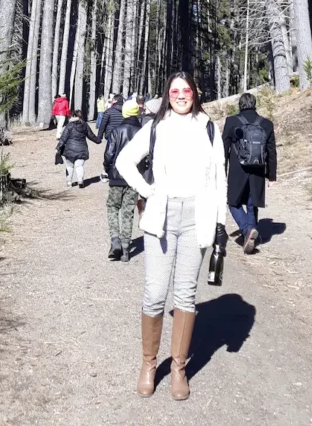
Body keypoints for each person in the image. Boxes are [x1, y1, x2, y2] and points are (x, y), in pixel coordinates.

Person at [116, 71, 227, 402]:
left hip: (196, 217)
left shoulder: (208, 127)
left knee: (185, 295)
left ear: (195, 94)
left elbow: (219, 178)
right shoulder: (155, 127)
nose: (181, 96)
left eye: (186, 90)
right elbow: (124, 161)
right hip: (161, 217)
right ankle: (149, 365)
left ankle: (178, 368)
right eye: (175, 91)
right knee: (154, 293)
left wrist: (220, 223)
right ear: (167, 95)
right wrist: (147, 190)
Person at [222, 92, 277, 254]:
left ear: (240, 105)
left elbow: (224, 148)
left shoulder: (231, 121)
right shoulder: (266, 124)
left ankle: (247, 230)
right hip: (258, 170)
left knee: (233, 202)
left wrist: (222, 170)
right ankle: (251, 232)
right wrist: (271, 175)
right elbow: (271, 151)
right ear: (255, 105)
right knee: (252, 204)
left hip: (237, 169)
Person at [105, 99, 143, 262]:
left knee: (113, 207)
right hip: (134, 178)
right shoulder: (143, 132)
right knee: (128, 211)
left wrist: (108, 169)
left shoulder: (116, 131)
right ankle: (126, 247)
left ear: (124, 112)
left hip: (117, 176)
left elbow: (109, 154)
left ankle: (115, 240)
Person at [56, 110, 99, 188]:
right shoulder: (84, 125)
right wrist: (98, 140)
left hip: (69, 150)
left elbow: (63, 138)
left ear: (73, 116)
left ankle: (69, 182)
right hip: (81, 149)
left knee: (69, 166)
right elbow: (91, 135)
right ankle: (80, 181)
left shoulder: (69, 125)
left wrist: (58, 147)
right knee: (79, 166)